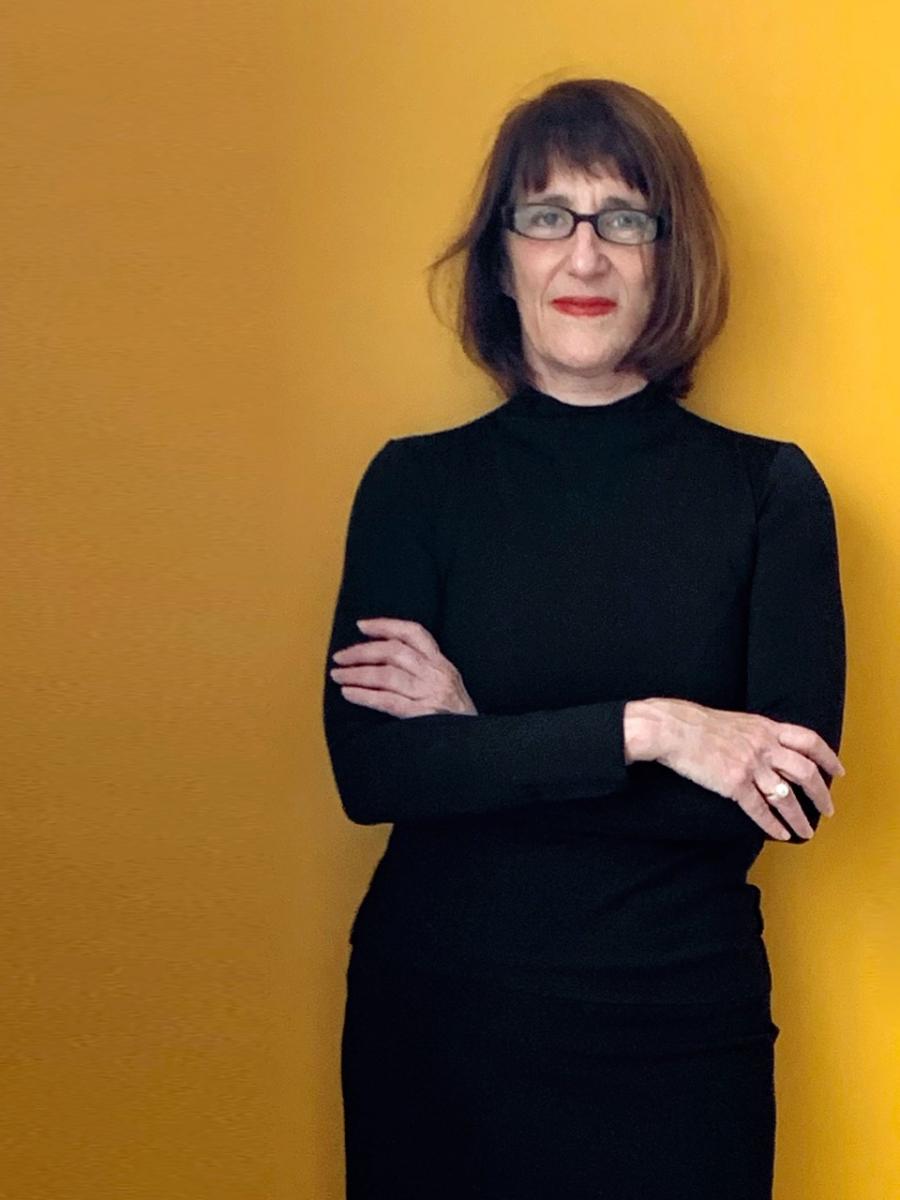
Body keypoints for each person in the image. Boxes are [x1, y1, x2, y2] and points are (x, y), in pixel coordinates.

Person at [323, 77, 847, 1200]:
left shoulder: (768, 492)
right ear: (501, 257)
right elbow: (375, 775)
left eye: (624, 219)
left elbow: (782, 800)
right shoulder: (415, 486)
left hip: (675, 1032)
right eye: (547, 215)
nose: (584, 255)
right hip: (442, 1023)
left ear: (670, 255)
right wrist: (656, 730)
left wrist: (482, 740)